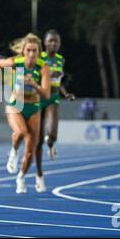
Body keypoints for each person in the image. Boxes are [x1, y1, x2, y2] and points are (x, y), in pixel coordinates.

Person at [0, 33, 50, 193]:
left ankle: (21, 177)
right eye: (29, 50)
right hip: (16, 104)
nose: (32, 54)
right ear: (23, 51)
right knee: (21, 132)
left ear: (39, 52)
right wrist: (6, 76)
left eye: (35, 51)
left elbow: (46, 94)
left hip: (33, 107)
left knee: (29, 151)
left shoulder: (43, 67)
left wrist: (33, 84)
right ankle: (13, 152)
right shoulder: (16, 62)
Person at [36, 30, 75, 166]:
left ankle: (51, 144)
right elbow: (34, 76)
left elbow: (58, 82)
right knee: (38, 136)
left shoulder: (60, 59)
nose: (53, 43)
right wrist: (49, 73)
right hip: (39, 96)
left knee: (52, 133)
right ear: (45, 42)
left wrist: (66, 94)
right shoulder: (37, 57)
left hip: (53, 97)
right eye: (50, 40)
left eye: (56, 41)